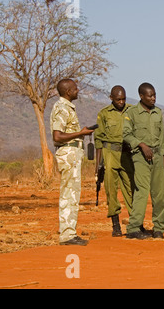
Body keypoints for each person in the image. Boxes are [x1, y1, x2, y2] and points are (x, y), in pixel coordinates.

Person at [50, 78, 94, 246]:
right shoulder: (61, 108)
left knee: (72, 193)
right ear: (68, 92)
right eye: (75, 89)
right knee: (69, 194)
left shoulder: (67, 107)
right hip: (68, 153)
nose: (77, 91)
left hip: (72, 153)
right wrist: (79, 133)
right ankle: (67, 235)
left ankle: (70, 232)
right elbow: (57, 136)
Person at [122, 83, 164, 240]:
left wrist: (163, 160)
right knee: (142, 191)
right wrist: (141, 145)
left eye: (154, 95)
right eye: (150, 95)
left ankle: (159, 228)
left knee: (159, 194)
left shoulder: (158, 112)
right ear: (141, 96)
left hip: (157, 157)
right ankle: (134, 228)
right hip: (140, 156)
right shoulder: (132, 113)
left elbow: (161, 138)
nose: (153, 98)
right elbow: (126, 134)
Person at [94, 85, 134, 237]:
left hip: (127, 154)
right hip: (110, 153)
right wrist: (98, 165)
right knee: (111, 190)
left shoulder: (132, 111)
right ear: (111, 98)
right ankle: (116, 225)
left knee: (131, 188)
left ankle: (135, 224)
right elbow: (98, 140)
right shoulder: (104, 114)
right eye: (118, 99)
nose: (121, 102)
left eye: (123, 98)